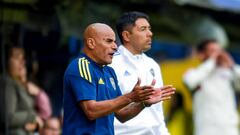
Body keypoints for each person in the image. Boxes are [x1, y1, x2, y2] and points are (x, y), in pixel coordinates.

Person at [62, 23, 175, 135]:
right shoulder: (81, 66)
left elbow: (121, 114)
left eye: (115, 42)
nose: (115, 46)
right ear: (91, 43)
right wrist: (130, 97)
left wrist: (144, 103)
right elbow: (91, 110)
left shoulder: (109, 72)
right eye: (109, 41)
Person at [110, 11, 173, 135]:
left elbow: (157, 111)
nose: (150, 33)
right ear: (126, 36)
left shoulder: (153, 64)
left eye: (149, 29)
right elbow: (112, 109)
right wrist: (140, 101)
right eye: (143, 29)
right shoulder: (112, 64)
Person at [183, 39, 240, 135]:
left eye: (220, 51)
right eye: (213, 51)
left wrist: (232, 65)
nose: (218, 54)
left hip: (230, 130)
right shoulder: (194, 73)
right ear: (201, 54)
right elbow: (189, 81)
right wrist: (211, 62)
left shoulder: (230, 73)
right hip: (206, 130)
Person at [0, 45, 42, 135]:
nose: (22, 62)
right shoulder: (7, 82)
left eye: (22, 58)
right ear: (6, 61)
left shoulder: (18, 83)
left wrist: (35, 124)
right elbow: (8, 118)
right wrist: (33, 117)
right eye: (16, 57)